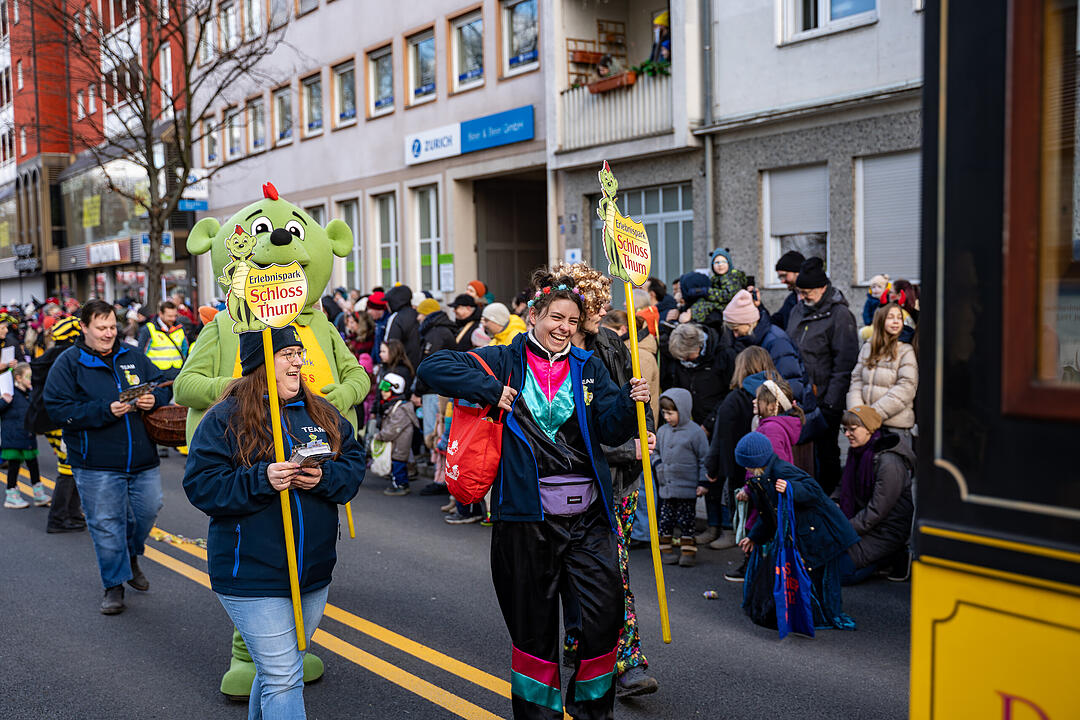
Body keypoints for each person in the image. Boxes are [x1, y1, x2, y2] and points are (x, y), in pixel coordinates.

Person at [417, 270, 650, 719]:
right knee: (533, 634)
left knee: (603, 621)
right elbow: (433, 368)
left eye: (572, 320)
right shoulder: (502, 359)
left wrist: (629, 401)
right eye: (555, 317)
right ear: (534, 315)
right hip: (524, 519)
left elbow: (611, 428)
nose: (563, 326)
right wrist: (490, 390)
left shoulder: (589, 366)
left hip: (588, 519)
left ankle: (591, 714)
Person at [182, 326, 364, 720]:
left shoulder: (321, 412)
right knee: (284, 677)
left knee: (277, 671)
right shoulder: (224, 419)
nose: (299, 361)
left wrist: (325, 478)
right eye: (288, 354)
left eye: (300, 353)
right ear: (260, 365)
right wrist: (260, 479)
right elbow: (201, 486)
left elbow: (353, 463)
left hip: (312, 573)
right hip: (250, 574)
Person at [558, 260, 658, 698]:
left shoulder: (615, 346)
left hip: (621, 485)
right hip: (571, 483)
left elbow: (633, 402)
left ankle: (617, 658)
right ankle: (596, 647)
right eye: (594, 304)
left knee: (612, 575)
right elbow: (564, 431)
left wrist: (646, 430)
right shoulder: (551, 355)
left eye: (603, 303)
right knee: (584, 573)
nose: (603, 312)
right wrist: (623, 447)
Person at [43, 299, 170, 615]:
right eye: (101, 328)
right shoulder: (68, 363)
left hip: (142, 459)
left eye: (112, 326)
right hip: (95, 463)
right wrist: (103, 410)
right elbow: (56, 409)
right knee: (106, 524)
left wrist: (155, 399)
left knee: (148, 510)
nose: (108, 333)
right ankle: (114, 586)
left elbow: (165, 384)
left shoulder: (132, 355)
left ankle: (130, 557)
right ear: (84, 327)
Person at [735, 432, 858, 631]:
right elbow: (768, 514)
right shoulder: (761, 479)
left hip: (820, 533)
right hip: (805, 532)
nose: (746, 469)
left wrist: (791, 488)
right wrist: (753, 537)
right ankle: (808, 612)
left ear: (756, 461)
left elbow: (813, 490)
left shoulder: (782, 470)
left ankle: (821, 614)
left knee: (821, 579)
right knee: (808, 578)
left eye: (747, 464)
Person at [786, 256, 859, 494]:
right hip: (799, 395)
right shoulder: (798, 309)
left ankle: (828, 498)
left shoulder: (840, 315)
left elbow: (844, 363)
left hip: (825, 399)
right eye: (800, 291)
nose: (803, 296)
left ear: (822, 288)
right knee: (802, 452)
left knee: (826, 453)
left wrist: (831, 402)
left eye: (808, 292)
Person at [701, 346, 779, 549]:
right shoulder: (777, 396)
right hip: (770, 467)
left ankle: (742, 546)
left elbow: (721, 436)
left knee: (744, 512)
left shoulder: (735, 398)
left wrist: (712, 465)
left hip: (738, 467)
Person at [834, 405, 915, 584]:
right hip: (865, 523)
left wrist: (843, 530)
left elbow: (877, 511)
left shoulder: (889, 463)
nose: (846, 434)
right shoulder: (858, 452)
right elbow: (842, 486)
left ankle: (890, 558)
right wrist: (834, 504)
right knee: (825, 559)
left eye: (852, 429)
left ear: (870, 429)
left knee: (838, 573)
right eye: (844, 429)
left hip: (887, 530)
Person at [27, 316, 86, 532]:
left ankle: (73, 513)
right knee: (68, 468)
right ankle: (58, 518)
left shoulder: (53, 354)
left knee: (73, 465)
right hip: (56, 420)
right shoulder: (66, 356)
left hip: (47, 420)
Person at [724, 289, 813, 409]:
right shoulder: (760, 338)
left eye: (736, 329)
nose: (735, 335)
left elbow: (792, 384)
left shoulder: (776, 342)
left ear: (749, 323)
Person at [847, 303, 919, 441]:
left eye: (899, 317)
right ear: (880, 320)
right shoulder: (868, 347)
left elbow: (907, 387)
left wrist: (873, 415)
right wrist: (857, 412)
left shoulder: (905, 350)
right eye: (891, 317)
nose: (896, 321)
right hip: (866, 425)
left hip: (894, 426)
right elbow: (857, 380)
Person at [654, 389, 708, 567]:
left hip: (687, 488)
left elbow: (704, 459)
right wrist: (658, 465)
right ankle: (666, 549)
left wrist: (702, 482)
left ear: (683, 410)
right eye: (664, 413)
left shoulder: (695, 433)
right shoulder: (662, 431)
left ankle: (688, 551)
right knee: (666, 519)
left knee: (687, 520)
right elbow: (655, 452)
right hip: (667, 487)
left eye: (670, 413)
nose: (667, 417)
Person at [137, 300, 190, 457]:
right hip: (157, 378)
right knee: (158, 411)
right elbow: (141, 352)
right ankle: (161, 445)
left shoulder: (180, 328)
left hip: (177, 376)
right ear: (160, 314)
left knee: (179, 411)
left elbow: (185, 350)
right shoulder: (149, 329)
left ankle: (179, 440)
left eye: (174, 315)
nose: (173, 318)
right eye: (169, 316)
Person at [666, 322, 735, 429]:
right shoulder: (680, 360)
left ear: (698, 347)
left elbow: (731, 393)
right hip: (694, 422)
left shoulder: (724, 354)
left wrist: (709, 424)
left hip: (719, 423)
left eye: (688, 357)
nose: (684, 362)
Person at [2, 362, 48, 509]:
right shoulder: (10, 394)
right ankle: (11, 495)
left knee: (33, 465)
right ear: (18, 378)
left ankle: (38, 493)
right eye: (29, 377)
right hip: (13, 437)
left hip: (28, 436)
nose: (31, 380)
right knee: (14, 466)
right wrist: (4, 401)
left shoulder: (30, 394)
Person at [601, 311, 659, 425]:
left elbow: (640, 394)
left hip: (639, 425)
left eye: (608, 331)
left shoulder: (639, 356)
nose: (605, 337)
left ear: (622, 330)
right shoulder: (630, 351)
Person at [375, 372, 418, 496]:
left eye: (385, 388)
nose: (382, 391)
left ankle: (401, 485)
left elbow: (393, 428)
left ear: (396, 389)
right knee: (397, 465)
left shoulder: (401, 409)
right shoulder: (395, 405)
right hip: (397, 444)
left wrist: (381, 436)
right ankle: (398, 483)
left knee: (398, 465)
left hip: (400, 445)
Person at [383, 285, 421, 370]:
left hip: (402, 367)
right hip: (419, 364)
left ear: (393, 302)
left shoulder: (396, 318)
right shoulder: (417, 314)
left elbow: (389, 344)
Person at [771, 250, 805, 331]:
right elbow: (775, 323)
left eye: (784, 275)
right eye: (780, 277)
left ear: (798, 272)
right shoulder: (791, 300)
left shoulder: (820, 299)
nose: (782, 281)